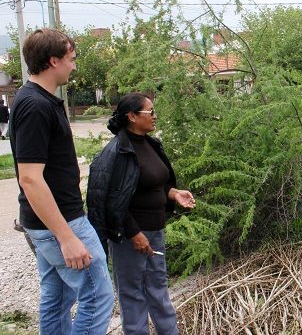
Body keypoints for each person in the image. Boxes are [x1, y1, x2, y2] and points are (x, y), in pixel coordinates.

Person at [9, 28, 114, 334]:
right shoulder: (35, 105)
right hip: (61, 223)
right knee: (98, 296)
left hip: (48, 222)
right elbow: (29, 179)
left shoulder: (35, 100)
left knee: (57, 297)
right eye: (72, 58)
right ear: (53, 61)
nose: (75, 65)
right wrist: (67, 237)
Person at [87, 92, 195, 335]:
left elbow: (154, 184)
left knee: (158, 288)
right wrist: (134, 233)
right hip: (129, 236)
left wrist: (174, 194)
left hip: (154, 231)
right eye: (151, 112)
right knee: (132, 293)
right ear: (132, 116)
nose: (155, 116)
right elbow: (112, 201)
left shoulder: (150, 144)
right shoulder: (117, 152)